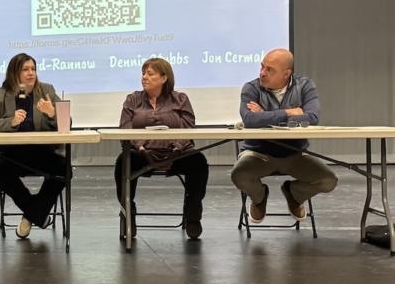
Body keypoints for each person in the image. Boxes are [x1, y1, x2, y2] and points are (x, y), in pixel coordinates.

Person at [232, 48, 337, 224]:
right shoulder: (251, 88)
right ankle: (259, 198)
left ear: (286, 73)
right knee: (239, 175)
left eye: (269, 69)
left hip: (295, 154)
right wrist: (289, 112)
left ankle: (293, 193)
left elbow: (312, 118)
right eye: (262, 67)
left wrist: (265, 116)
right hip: (258, 153)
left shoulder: (304, 86)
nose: (262, 73)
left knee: (328, 181)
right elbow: (250, 120)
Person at [116, 57, 208, 240]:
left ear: (164, 78)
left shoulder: (180, 99)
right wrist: (142, 148)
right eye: (143, 73)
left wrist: (176, 150)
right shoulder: (132, 100)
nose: (144, 77)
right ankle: (127, 212)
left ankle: (193, 215)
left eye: (150, 74)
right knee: (123, 162)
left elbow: (188, 128)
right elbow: (125, 128)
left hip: (176, 154)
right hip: (143, 154)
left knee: (198, 162)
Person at [0, 54, 69, 238]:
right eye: (25, 69)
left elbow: (67, 123)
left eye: (33, 69)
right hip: (12, 152)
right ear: (15, 73)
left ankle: (32, 215)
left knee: (64, 170)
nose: (31, 73)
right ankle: (37, 212)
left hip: (42, 151)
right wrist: (11, 122)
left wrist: (53, 113)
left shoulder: (46, 90)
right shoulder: (1, 94)